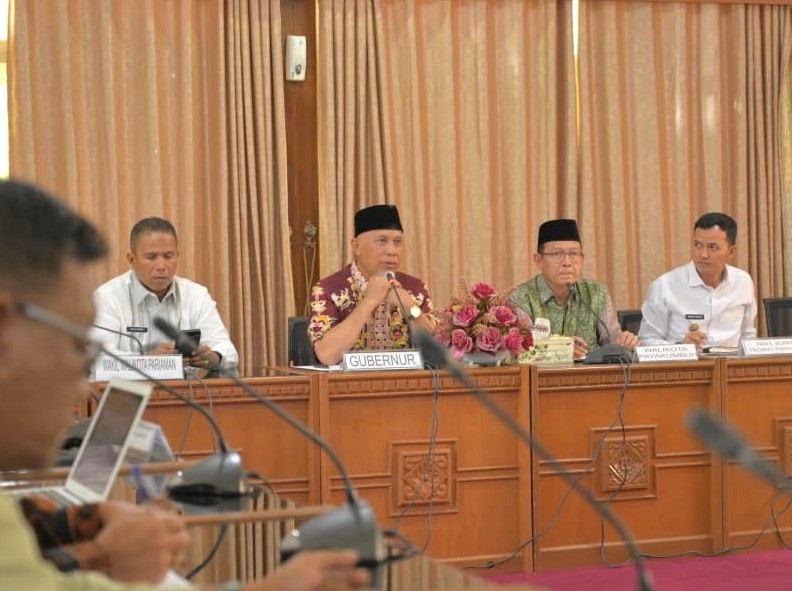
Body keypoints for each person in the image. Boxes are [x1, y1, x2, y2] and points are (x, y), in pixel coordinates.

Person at [0, 179, 369, 590]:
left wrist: (78, 524)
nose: (77, 389)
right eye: (74, 346)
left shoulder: (9, 520)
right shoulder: (110, 296)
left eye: (168, 256)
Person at [91, 217, 238, 373]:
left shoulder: (196, 295)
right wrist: (146, 361)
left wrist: (214, 357)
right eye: (151, 257)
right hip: (129, 388)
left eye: (168, 256)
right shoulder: (107, 298)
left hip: (187, 387)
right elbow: (98, 360)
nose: (161, 266)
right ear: (132, 259)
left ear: (177, 255)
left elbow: (227, 350)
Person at [309, 204, 436, 365]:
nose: (392, 251)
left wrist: (409, 306)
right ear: (356, 246)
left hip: (405, 381)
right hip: (347, 381)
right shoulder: (329, 289)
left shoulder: (415, 288)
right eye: (382, 241)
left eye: (397, 242)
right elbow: (326, 355)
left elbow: (439, 347)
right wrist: (369, 302)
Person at [509, 218, 638, 359]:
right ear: (538, 260)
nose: (567, 262)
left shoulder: (596, 293)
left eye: (573, 254)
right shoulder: (520, 297)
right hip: (539, 374)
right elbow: (519, 351)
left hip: (591, 373)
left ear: (582, 259)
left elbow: (613, 339)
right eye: (556, 254)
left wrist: (625, 342)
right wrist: (560, 351)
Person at [638, 212, 757, 348]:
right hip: (686, 361)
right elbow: (646, 341)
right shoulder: (664, 286)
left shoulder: (743, 282)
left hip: (730, 360)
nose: (703, 254)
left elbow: (748, 336)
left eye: (712, 247)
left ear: (731, 252)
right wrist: (680, 347)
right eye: (698, 245)